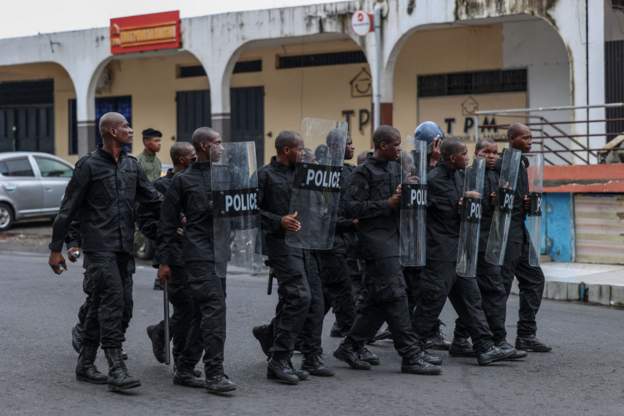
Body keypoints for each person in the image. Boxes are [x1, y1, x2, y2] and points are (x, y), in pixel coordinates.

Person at [48, 112, 161, 392]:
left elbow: (153, 198)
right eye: (125, 126)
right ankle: (116, 368)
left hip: (124, 248)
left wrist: (183, 208)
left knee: (120, 307)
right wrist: (56, 249)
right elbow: (68, 208)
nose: (130, 130)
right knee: (112, 303)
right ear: (111, 131)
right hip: (99, 248)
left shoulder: (131, 166)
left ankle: (85, 364)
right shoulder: (88, 165)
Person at [333, 125, 441, 376]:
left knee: (378, 299)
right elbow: (350, 208)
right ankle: (411, 355)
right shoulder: (363, 172)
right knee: (395, 293)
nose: (399, 149)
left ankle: (351, 345)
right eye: (395, 144)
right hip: (374, 242)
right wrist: (387, 203)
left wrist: (409, 187)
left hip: (395, 238)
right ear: (381, 145)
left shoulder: (396, 168)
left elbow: (402, 197)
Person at [411, 138, 515, 366]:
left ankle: (485, 347)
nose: (468, 158)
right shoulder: (435, 180)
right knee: (432, 300)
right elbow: (443, 211)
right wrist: (463, 203)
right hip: (441, 250)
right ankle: (413, 350)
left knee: (472, 299)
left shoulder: (460, 176)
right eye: (464, 154)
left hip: (460, 248)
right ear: (452, 158)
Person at [158, 127, 238, 394]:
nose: (222, 147)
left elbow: (242, 209)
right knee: (214, 309)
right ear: (204, 146)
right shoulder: (183, 180)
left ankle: (185, 366)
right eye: (218, 142)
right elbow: (167, 224)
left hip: (220, 252)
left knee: (206, 312)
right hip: (197, 253)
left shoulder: (227, 175)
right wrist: (165, 262)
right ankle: (215, 373)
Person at [252, 130, 334, 385]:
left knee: (316, 301)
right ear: (286, 150)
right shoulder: (264, 175)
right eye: (300, 148)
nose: (304, 152)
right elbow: (249, 210)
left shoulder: (304, 174)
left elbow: (320, 205)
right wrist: (279, 221)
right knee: (300, 297)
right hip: (281, 245)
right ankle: (279, 360)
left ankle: (310, 355)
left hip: (307, 244)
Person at [142, 142, 206, 387]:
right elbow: (146, 221)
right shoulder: (161, 186)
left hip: (197, 254)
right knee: (187, 307)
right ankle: (177, 354)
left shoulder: (197, 181)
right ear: (181, 159)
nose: (196, 158)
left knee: (191, 308)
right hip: (173, 254)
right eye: (192, 156)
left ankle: (170, 344)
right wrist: (169, 234)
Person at [499, 124, 551, 352]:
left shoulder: (522, 163)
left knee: (534, 279)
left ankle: (526, 335)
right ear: (511, 139)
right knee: (500, 285)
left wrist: (528, 203)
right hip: (506, 233)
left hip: (521, 229)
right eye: (525, 137)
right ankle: (493, 338)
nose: (530, 141)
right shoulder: (501, 164)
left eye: (531, 137)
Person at [318, 133, 357, 338]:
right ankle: (351, 339)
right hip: (331, 241)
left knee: (326, 293)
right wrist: (350, 223)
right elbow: (322, 214)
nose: (353, 147)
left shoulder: (350, 171)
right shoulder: (323, 175)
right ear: (335, 147)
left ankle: (294, 335)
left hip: (348, 239)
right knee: (343, 290)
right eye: (349, 144)